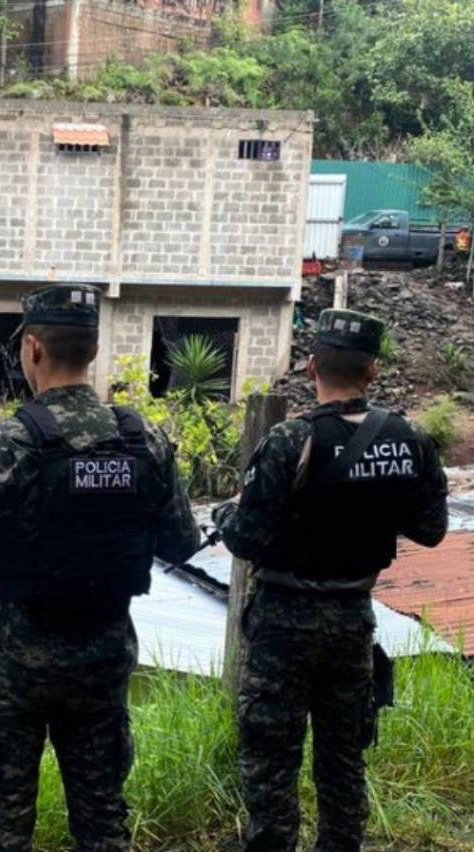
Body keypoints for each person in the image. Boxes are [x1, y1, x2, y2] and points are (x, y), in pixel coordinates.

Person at [0, 284, 200, 852]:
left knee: (4, 830)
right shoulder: (143, 440)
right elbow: (179, 542)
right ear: (93, 351)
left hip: (11, 673)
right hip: (101, 662)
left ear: (32, 348)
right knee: (102, 822)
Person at [213, 309, 449, 852]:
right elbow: (433, 530)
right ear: (372, 372)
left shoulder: (290, 440)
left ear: (312, 366)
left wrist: (224, 516)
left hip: (282, 624)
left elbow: (247, 538)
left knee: (271, 756)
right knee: (343, 756)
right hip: (351, 619)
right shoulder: (408, 438)